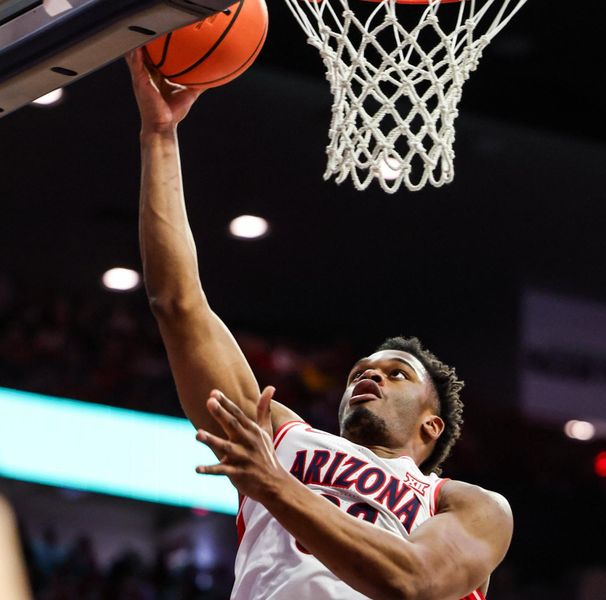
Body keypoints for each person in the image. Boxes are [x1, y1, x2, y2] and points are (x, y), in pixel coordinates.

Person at [126, 47, 513, 600]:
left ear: (432, 426)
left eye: (396, 374)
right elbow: (178, 304)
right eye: (362, 369)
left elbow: (414, 580)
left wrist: (278, 488)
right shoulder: (279, 435)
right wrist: (158, 135)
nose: (368, 376)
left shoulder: (467, 505)